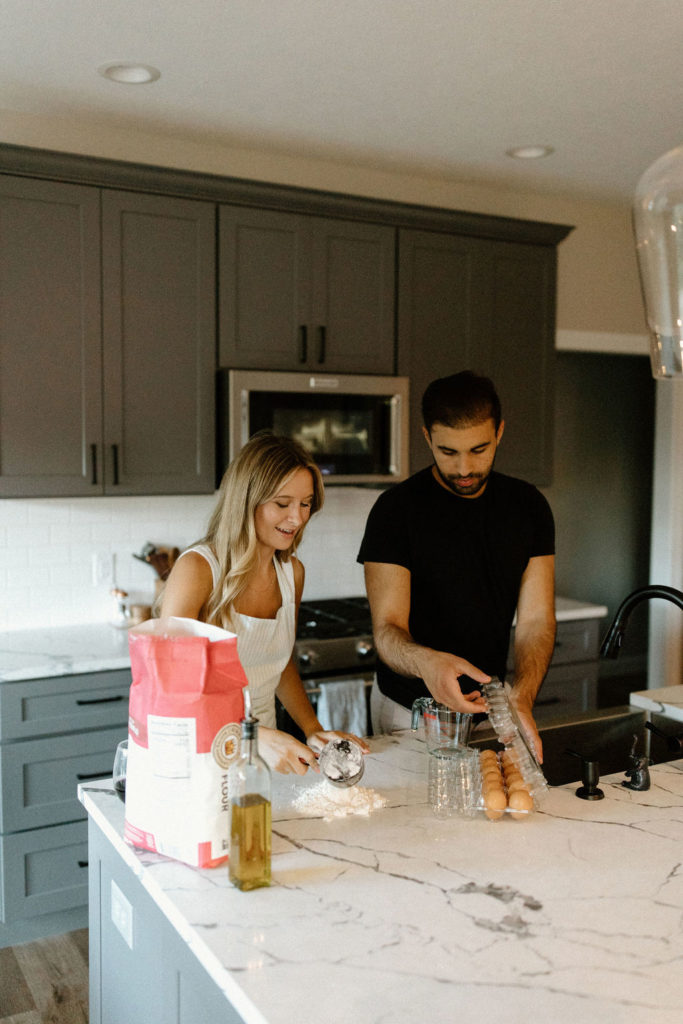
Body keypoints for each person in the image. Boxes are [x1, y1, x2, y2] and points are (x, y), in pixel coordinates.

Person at [357, 371, 556, 761]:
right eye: (448, 452)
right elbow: (387, 630)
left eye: (478, 450)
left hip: (491, 711)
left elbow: (535, 620)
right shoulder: (395, 511)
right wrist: (428, 663)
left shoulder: (529, 507)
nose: (464, 468)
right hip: (409, 712)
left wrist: (522, 697)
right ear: (427, 436)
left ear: (499, 432)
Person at [161, 430, 369, 775]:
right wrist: (251, 736)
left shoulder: (292, 573)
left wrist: (312, 730)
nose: (297, 518)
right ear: (247, 500)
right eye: (282, 503)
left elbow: (279, 661)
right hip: (199, 753)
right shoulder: (198, 569)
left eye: (305, 504)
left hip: (264, 754)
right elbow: (173, 685)